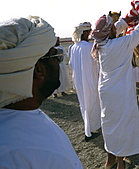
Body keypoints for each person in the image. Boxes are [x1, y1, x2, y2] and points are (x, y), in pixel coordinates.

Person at [0, 16, 83, 168]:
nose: (58, 62)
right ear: (39, 70)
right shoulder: (29, 152)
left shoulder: (23, 114)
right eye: (55, 56)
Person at [91, 10, 139, 169]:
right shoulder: (119, 45)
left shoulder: (100, 43)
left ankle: (109, 160)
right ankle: (120, 163)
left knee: (110, 125)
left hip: (106, 91)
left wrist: (126, 20)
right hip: (120, 93)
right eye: (112, 27)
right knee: (122, 125)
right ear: (108, 31)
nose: (114, 28)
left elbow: (115, 29)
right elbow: (137, 34)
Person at [69, 22, 101, 141]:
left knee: (84, 105)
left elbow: (71, 64)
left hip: (80, 81)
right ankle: (90, 131)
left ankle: (89, 129)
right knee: (92, 104)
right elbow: (97, 64)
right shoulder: (89, 47)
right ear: (85, 33)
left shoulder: (73, 47)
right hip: (90, 80)